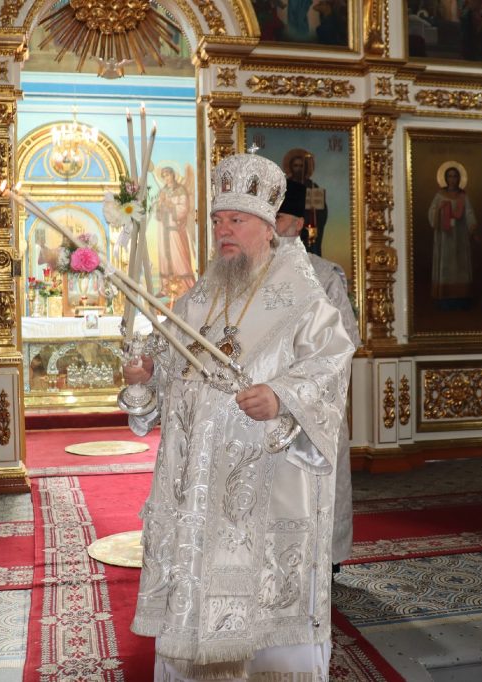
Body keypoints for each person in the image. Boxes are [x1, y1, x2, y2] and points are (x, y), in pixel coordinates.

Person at [124, 152, 355, 679]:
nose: (223, 230)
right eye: (217, 220)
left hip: (266, 485)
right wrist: (147, 376)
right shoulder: (198, 298)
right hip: (197, 489)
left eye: (236, 219)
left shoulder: (302, 296)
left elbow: (331, 360)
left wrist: (280, 396)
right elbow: (167, 375)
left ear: (268, 227)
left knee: (263, 616)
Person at [275, 178, 360, 573]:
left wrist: (293, 378)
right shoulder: (242, 274)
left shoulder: (324, 275)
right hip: (258, 406)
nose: (270, 225)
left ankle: (325, 562)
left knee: (315, 489)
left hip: (312, 407)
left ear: (296, 224)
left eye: (277, 218)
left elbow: (346, 340)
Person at [427, 164, 478, 309]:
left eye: (455, 176)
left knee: (460, 266)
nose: (452, 179)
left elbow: (469, 212)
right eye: (450, 176)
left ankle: (462, 299)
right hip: (444, 238)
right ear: (445, 178)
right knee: (445, 265)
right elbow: (431, 212)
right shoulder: (439, 196)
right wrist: (439, 210)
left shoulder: (463, 196)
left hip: (460, 237)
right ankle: (444, 300)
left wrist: (472, 225)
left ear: (459, 179)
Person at [153, 165, 197, 301]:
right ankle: (166, 287)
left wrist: (170, 204)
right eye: (164, 176)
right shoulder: (163, 191)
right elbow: (157, 213)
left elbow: (184, 209)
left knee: (178, 254)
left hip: (175, 228)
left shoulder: (181, 190)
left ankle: (186, 286)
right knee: (165, 256)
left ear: (173, 175)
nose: (166, 178)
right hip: (164, 228)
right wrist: (159, 205)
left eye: (168, 175)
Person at [282, 149, 328, 256]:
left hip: (308, 228)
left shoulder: (311, 186)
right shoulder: (285, 186)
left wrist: (314, 211)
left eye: (301, 166)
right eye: (296, 165)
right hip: (290, 228)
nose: (298, 169)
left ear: (306, 168)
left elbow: (322, 212)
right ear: (291, 167)